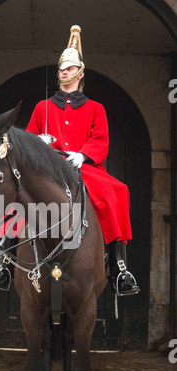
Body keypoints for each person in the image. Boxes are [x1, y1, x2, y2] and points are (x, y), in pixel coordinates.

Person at [26, 25, 139, 296]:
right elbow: (28, 138)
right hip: (49, 168)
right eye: (61, 70)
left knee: (118, 191)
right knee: (18, 190)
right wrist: (37, 143)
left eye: (69, 69)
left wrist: (83, 154)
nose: (64, 73)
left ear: (80, 73)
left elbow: (101, 138)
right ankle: (3, 264)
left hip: (83, 168)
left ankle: (119, 265)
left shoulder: (96, 108)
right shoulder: (43, 107)